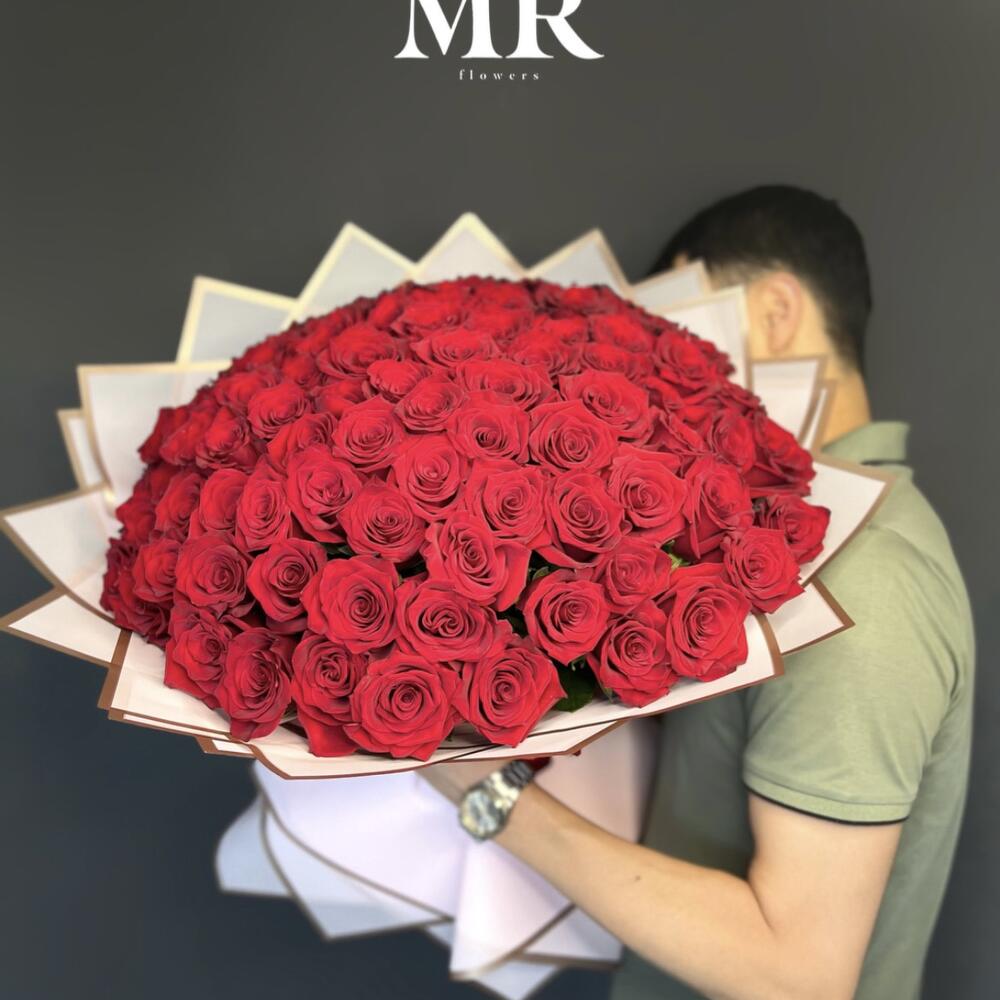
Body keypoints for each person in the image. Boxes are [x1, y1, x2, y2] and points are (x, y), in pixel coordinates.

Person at [426, 186, 975, 1000]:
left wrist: (487, 791)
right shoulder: (763, 540)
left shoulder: (865, 573)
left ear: (775, 312)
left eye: (677, 322)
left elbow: (798, 974)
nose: (658, 366)